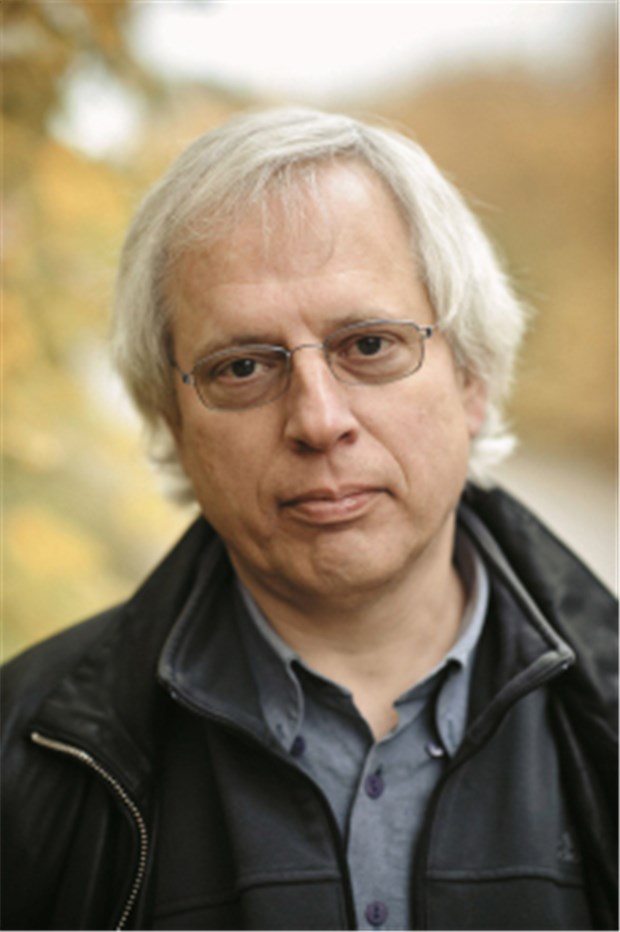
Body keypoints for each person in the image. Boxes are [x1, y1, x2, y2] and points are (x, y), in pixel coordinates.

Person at [2, 107, 616, 932]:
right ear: (173, 423)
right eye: (242, 367)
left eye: (369, 345)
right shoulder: (21, 756)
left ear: (470, 378)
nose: (319, 421)